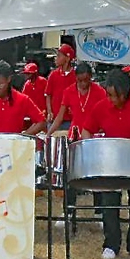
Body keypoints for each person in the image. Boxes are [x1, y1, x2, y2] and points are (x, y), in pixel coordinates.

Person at [81, 69, 130, 259]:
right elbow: (86, 130)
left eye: (115, 95)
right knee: (109, 204)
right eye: (109, 95)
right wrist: (93, 149)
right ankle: (111, 244)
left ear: (126, 92)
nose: (112, 99)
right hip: (110, 164)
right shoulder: (101, 107)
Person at [48, 62, 106, 229]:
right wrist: (50, 133)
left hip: (93, 137)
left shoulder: (99, 91)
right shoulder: (69, 92)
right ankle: (69, 210)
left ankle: (99, 212)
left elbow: (105, 111)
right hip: (74, 137)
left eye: (86, 80)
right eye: (80, 81)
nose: (83, 84)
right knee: (70, 175)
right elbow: (60, 116)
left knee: (97, 175)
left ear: (90, 78)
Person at [45, 44, 77, 129]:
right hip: (54, 119)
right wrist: (49, 112)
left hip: (69, 120)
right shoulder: (53, 74)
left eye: (59, 56)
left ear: (67, 58)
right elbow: (48, 95)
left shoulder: (75, 76)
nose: (56, 58)